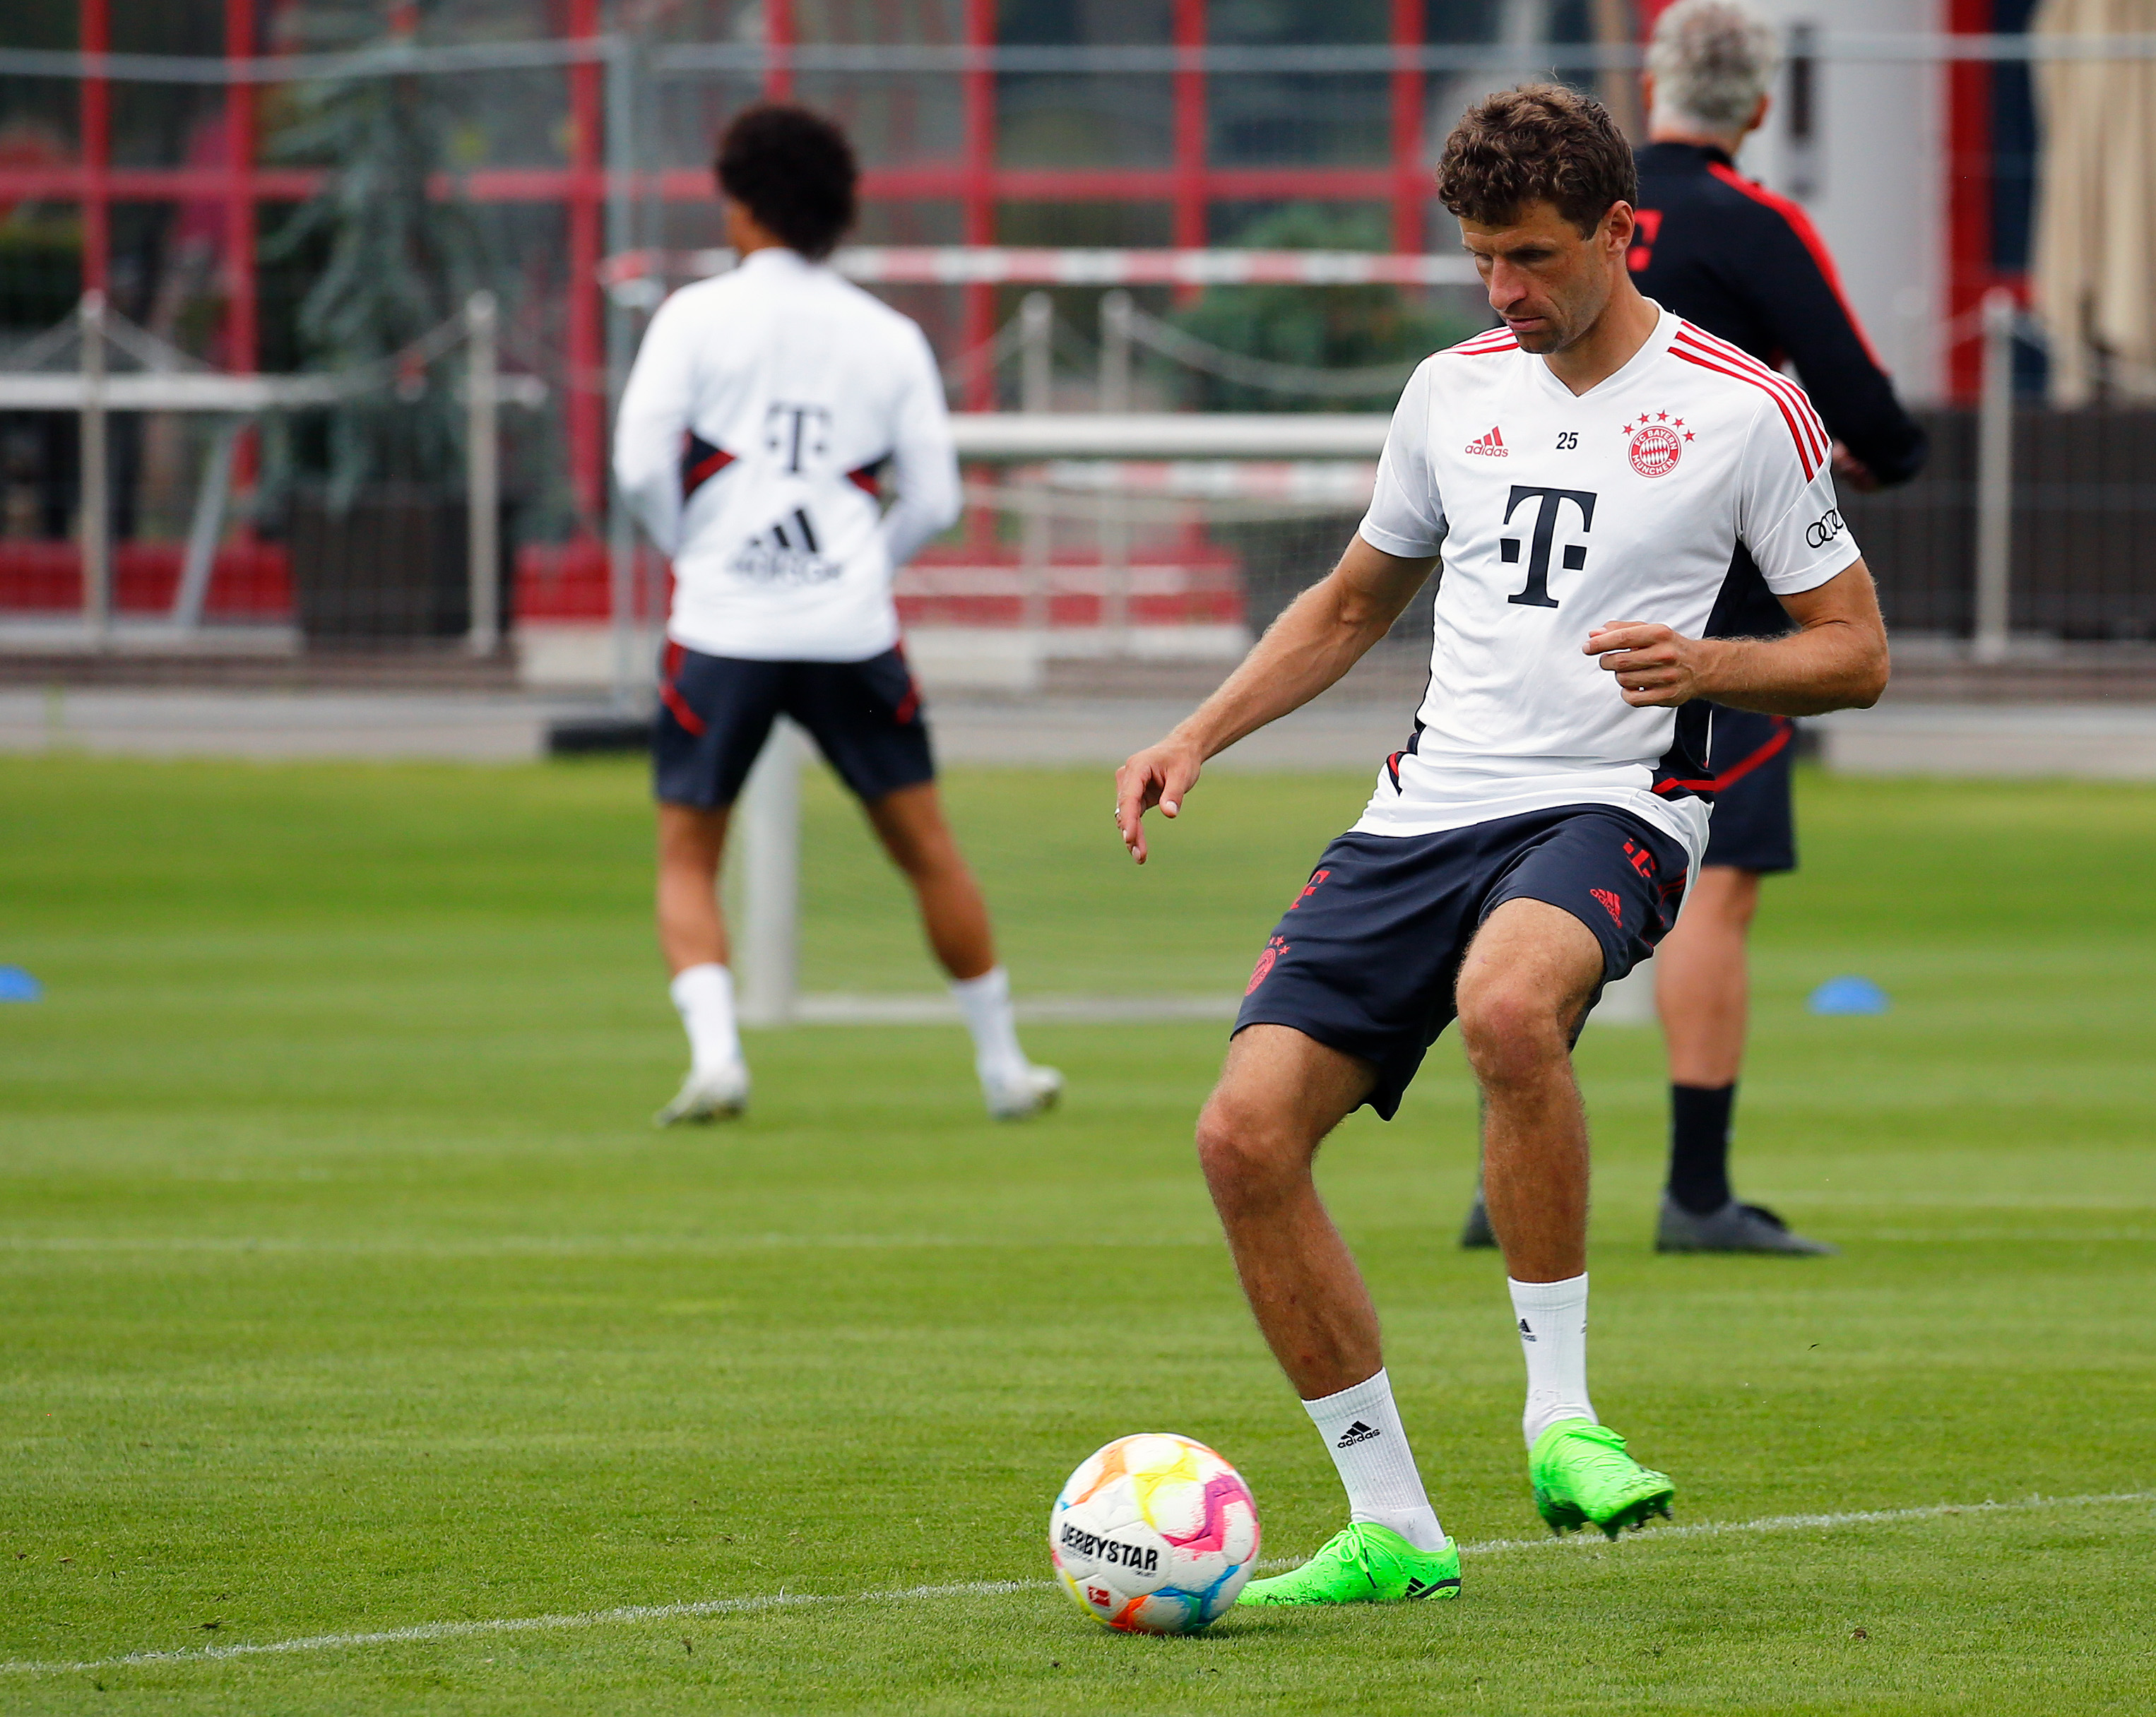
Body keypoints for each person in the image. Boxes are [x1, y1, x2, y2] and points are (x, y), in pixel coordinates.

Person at [1113, 84, 1888, 1605]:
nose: (1504, 293)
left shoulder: (1743, 406)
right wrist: (1195, 732)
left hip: (1615, 806)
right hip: (1425, 807)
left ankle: (1563, 1421)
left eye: (1532, 256)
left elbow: (1856, 652)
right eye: (1480, 259)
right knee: (1241, 1137)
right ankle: (1393, 1523)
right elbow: (1350, 606)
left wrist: (1708, 665)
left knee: (1510, 1006)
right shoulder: (1447, 393)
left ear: (1619, 230)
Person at [1457, 0, 1926, 1257]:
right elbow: (1876, 420)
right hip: (1704, 634)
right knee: (1713, 890)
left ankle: (1504, 1160)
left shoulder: (1570, 216)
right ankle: (1700, 1192)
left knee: (1514, 861)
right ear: (1760, 108)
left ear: (1649, 86)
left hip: (1527, 611)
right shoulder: (1752, 226)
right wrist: (1846, 464)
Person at [612, 103, 1062, 1128]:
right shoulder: (889, 335)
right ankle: (1002, 1066)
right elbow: (937, 501)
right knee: (926, 847)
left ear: (741, 203)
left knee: (689, 851)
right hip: (850, 632)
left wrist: (692, 546)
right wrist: (862, 564)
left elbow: (639, 463)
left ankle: (718, 1055)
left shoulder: (693, 316)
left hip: (721, 627)